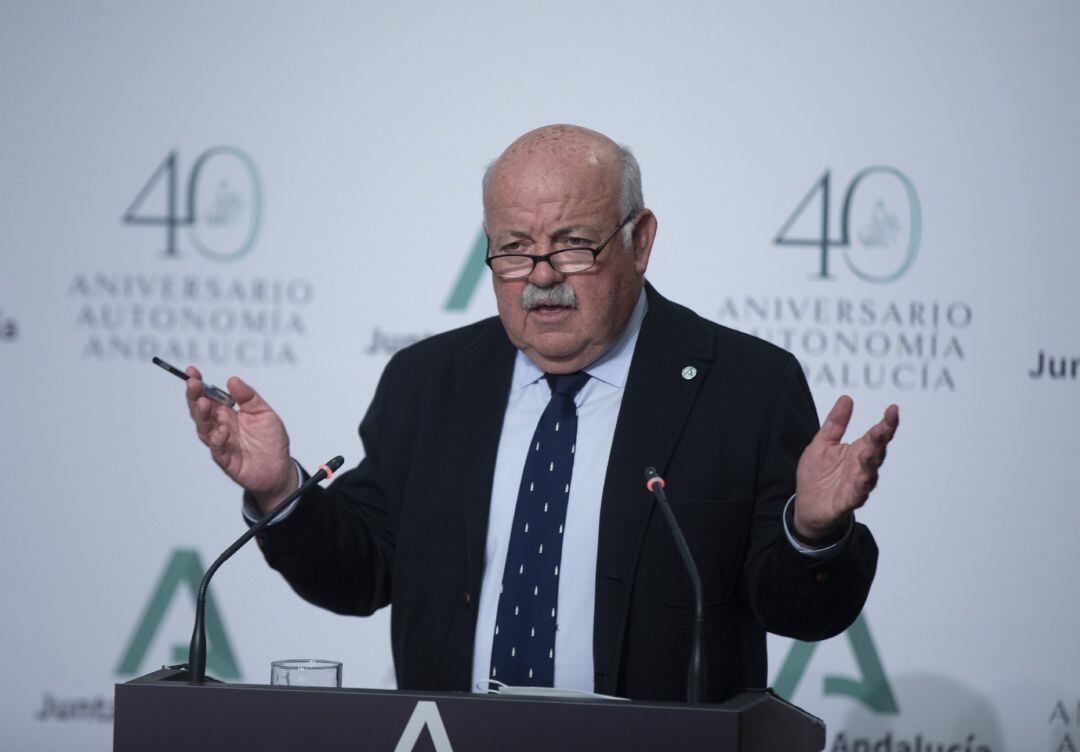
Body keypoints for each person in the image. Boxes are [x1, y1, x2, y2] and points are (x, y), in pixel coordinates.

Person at [184, 124, 899, 703]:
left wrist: (811, 533)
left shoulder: (744, 385)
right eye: (515, 250)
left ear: (640, 240)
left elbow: (801, 610)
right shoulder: (431, 382)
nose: (543, 276)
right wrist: (282, 492)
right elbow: (363, 571)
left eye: (573, 245)